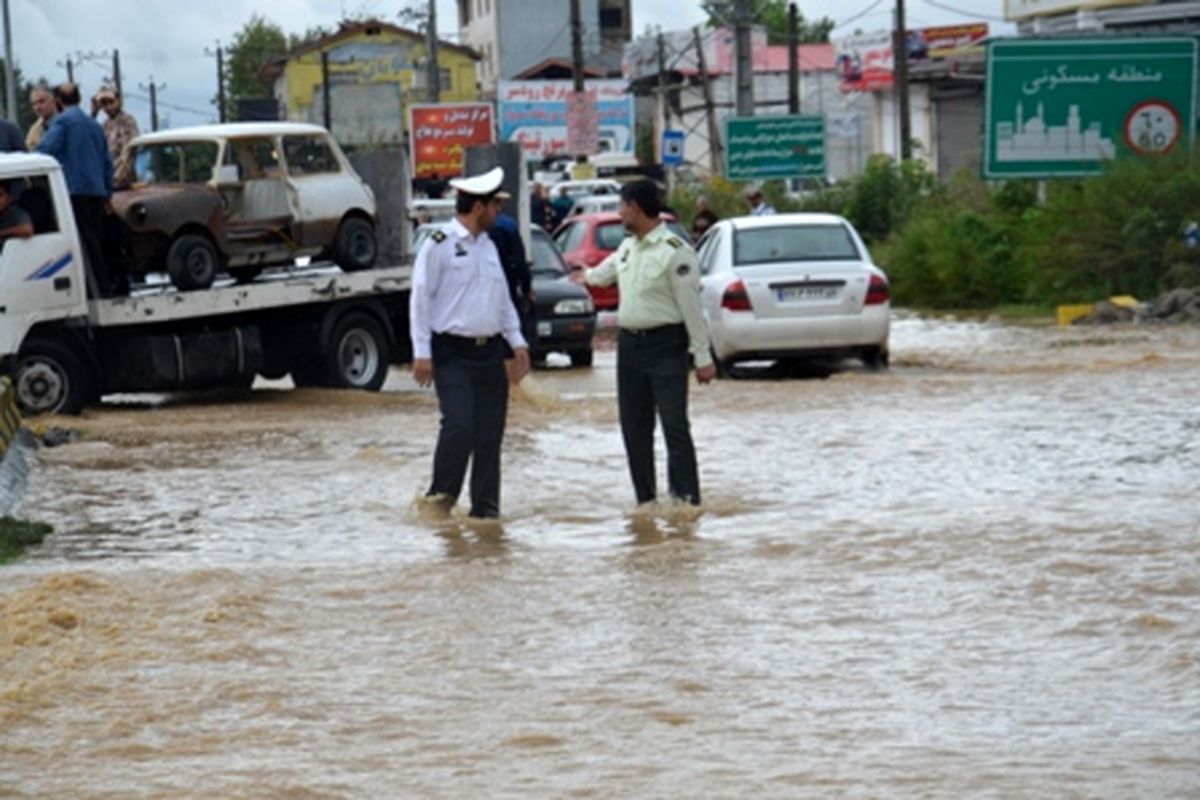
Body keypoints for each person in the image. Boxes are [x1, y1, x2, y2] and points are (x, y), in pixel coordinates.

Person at [584, 178, 715, 507]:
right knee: (634, 430)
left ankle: (685, 503)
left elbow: (691, 308)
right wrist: (580, 276)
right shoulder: (628, 247)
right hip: (629, 348)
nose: (619, 213)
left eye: (622, 206)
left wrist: (703, 357)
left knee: (674, 427)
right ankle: (646, 502)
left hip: (666, 346)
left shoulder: (676, 252)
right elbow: (601, 275)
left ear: (636, 208)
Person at [409, 166, 531, 519]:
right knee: (459, 426)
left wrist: (517, 342)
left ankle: (486, 514)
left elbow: (502, 298)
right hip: (452, 353)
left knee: (490, 437)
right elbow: (420, 299)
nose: (498, 213)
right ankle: (440, 502)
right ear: (479, 207)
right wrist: (422, 353)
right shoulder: (438, 246)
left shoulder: (490, 246)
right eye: (495, 206)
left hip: (490, 353)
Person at [37, 82, 122, 297]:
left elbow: (46, 150)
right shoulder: (93, 125)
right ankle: (103, 287)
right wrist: (107, 193)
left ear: (57, 101)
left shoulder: (63, 123)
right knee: (95, 241)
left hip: (73, 191)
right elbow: (106, 161)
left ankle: (91, 290)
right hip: (96, 191)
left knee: (80, 243)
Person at [92, 85, 139, 188]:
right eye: (104, 103)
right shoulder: (105, 125)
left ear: (119, 101)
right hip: (108, 178)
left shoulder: (127, 121)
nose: (108, 107)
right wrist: (94, 113)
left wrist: (118, 177)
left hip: (123, 180)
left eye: (111, 102)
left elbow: (128, 152)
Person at [25, 84, 56, 151]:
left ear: (53, 101)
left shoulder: (67, 123)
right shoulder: (34, 130)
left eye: (42, 101)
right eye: (34, 104)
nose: (37, 107)